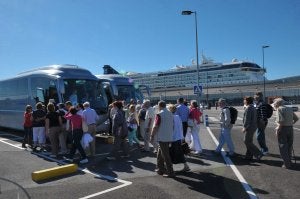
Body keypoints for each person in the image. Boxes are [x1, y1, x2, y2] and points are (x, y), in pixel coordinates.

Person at [150, 101, 175, 177]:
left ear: (159, 106)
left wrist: (152, 135)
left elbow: (155, 126)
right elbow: (172, 125)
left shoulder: (159, 114)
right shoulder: (170, 113)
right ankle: (160, 169)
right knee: (160, 154)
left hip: (162, 137)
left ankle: (170, 172)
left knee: (165, 155)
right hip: (168, 136)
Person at [272, 98, 299, 169]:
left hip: (283, 128)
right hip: (290, 128)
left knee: (283, 146)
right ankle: (289, 161)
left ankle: (287, 164)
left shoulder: (279, 109)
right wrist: (290, 123)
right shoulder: (289, 109)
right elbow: (296, 118)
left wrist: (277, 130)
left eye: (274, 103)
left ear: (277, 103)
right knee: (289, 146)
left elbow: (280, 121)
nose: (274, 104)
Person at [168, 104, 190, 172]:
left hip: (173, 138)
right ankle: (185, 166)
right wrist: (182, 137)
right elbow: (180, 127)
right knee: (179, 152)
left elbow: (171, 128)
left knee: (171, 153)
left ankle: (170, 168)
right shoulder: (177, 117)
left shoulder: (170, 117)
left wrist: (169, 138)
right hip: (178, 137)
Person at [242, 96, 263, 161]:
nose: (243, 101)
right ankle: (249, 156)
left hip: (250, 127)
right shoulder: (253, 107)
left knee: (246, 141)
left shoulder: (248, 108)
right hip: (254, 126)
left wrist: (245, 127)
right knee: (249, 141)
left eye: (244, 100)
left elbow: (247, 119)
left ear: (247, 101)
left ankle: (258, 153)